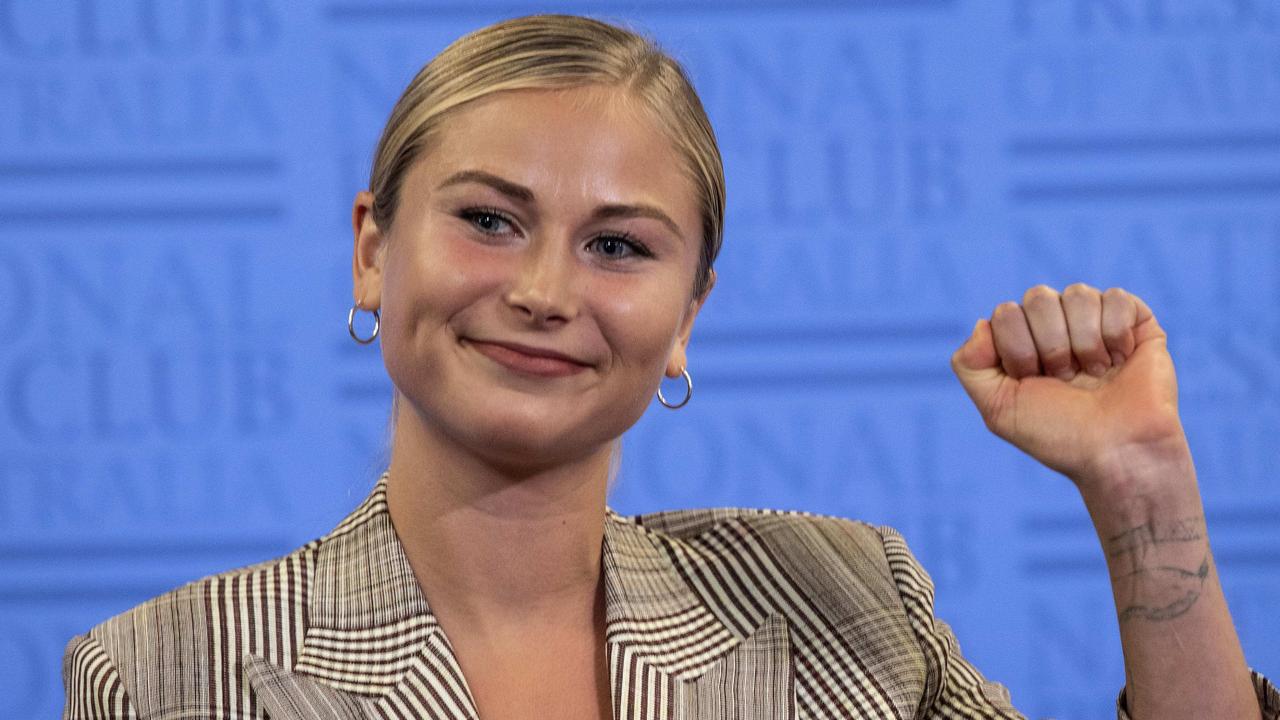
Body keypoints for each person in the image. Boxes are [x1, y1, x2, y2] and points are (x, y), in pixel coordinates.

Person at [62, 13, 1277, 720]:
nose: (542, 291)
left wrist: (1139, 491)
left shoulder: (842, 600)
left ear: (688, 311)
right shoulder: (167, 673)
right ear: (372, 248)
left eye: (618, 246)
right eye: (487, 219)